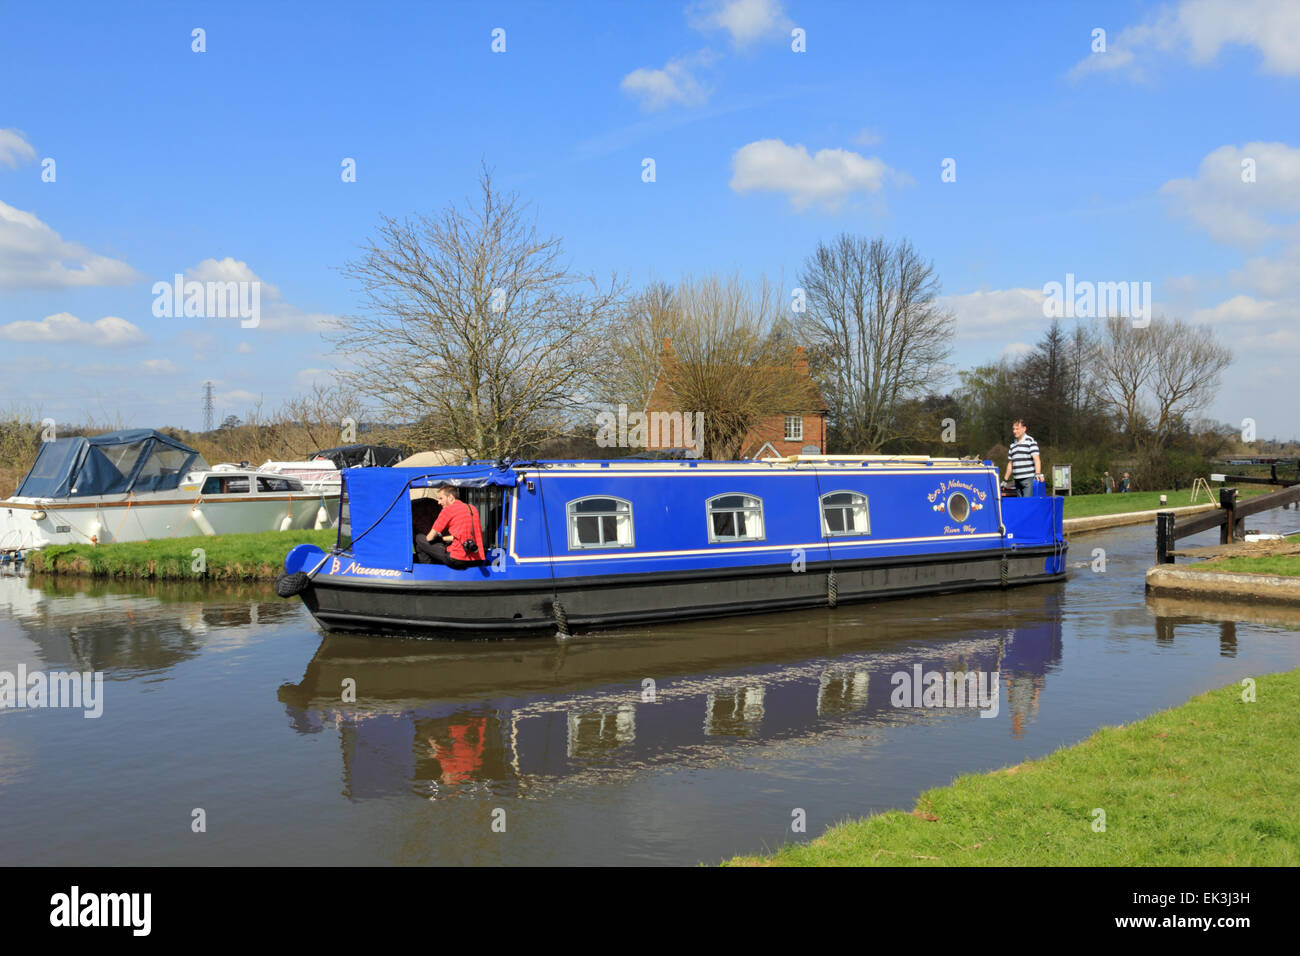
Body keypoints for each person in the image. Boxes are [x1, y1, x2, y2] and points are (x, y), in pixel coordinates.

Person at [415, 483, 485, 568]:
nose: (438, 502)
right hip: (477, 559)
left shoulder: (448, 510)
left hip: (457, 559)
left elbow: (429, 538)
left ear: (450, 497)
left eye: (441, 498)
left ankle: (428, 572)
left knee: (419, 539)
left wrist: (438, 538)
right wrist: (443, 539)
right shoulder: (472, 508)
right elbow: (462, 536)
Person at [1003, 418, 1043, 498]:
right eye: (1013, 429)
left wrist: (1038, 474)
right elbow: (1011, 463)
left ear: (1024, 429)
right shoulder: (1012, 445)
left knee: (1027, 505)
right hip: (1017, 481)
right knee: (1020, 506)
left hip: (1028, 480)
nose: (1014, 431)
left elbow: (1037, 459)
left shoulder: (1030, 441)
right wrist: (1005, 480)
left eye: (1017, 429)